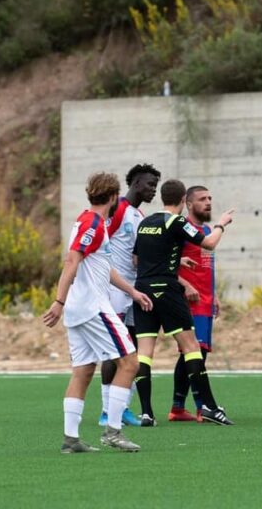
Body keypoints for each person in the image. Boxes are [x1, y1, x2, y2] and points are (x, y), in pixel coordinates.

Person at [43, 172, 152, 453]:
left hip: (81, 309)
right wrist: (58, 301)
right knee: (130, 363)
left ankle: (71, 439)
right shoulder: (92, 223)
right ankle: (113, 432)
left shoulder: (91, 221)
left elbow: (104, 267)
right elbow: (72, 260)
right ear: (114, 197)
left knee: (83, 371)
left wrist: (132, 291)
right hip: (92, 307)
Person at [132, 179, 235, 426]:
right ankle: (209, 407)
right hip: (167, 291)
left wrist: (174, 262)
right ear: (182, 202)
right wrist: (221, 224)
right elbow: (208, 244)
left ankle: (146, 413)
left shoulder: (146, 222)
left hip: (143, 290)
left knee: (144, 354)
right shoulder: (176, 221)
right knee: (191, 348)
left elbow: (137, 259)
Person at [98, 163, 160, 428]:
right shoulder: (120, 209)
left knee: (131, 350)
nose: (153, 190)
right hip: (116, 290)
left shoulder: (138, 214)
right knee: (114, 351)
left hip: (135, 290)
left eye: (155, 186)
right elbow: (103, 244)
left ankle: (121, 407)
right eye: (149, 185)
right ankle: (105, 411)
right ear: (135, 183)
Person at [168, 186, 220, 423]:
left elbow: (209, 264)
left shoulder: (206, 230)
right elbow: (169, 261)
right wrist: (185, 286)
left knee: (196, 353)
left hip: (207, 300)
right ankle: (201, 406)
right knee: (194, 353)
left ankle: (178, 407)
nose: (208, 202)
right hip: (190, 301)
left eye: (209, 198)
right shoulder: (181, 228)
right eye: (202, 199)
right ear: (189, 204)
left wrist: (215, 294)